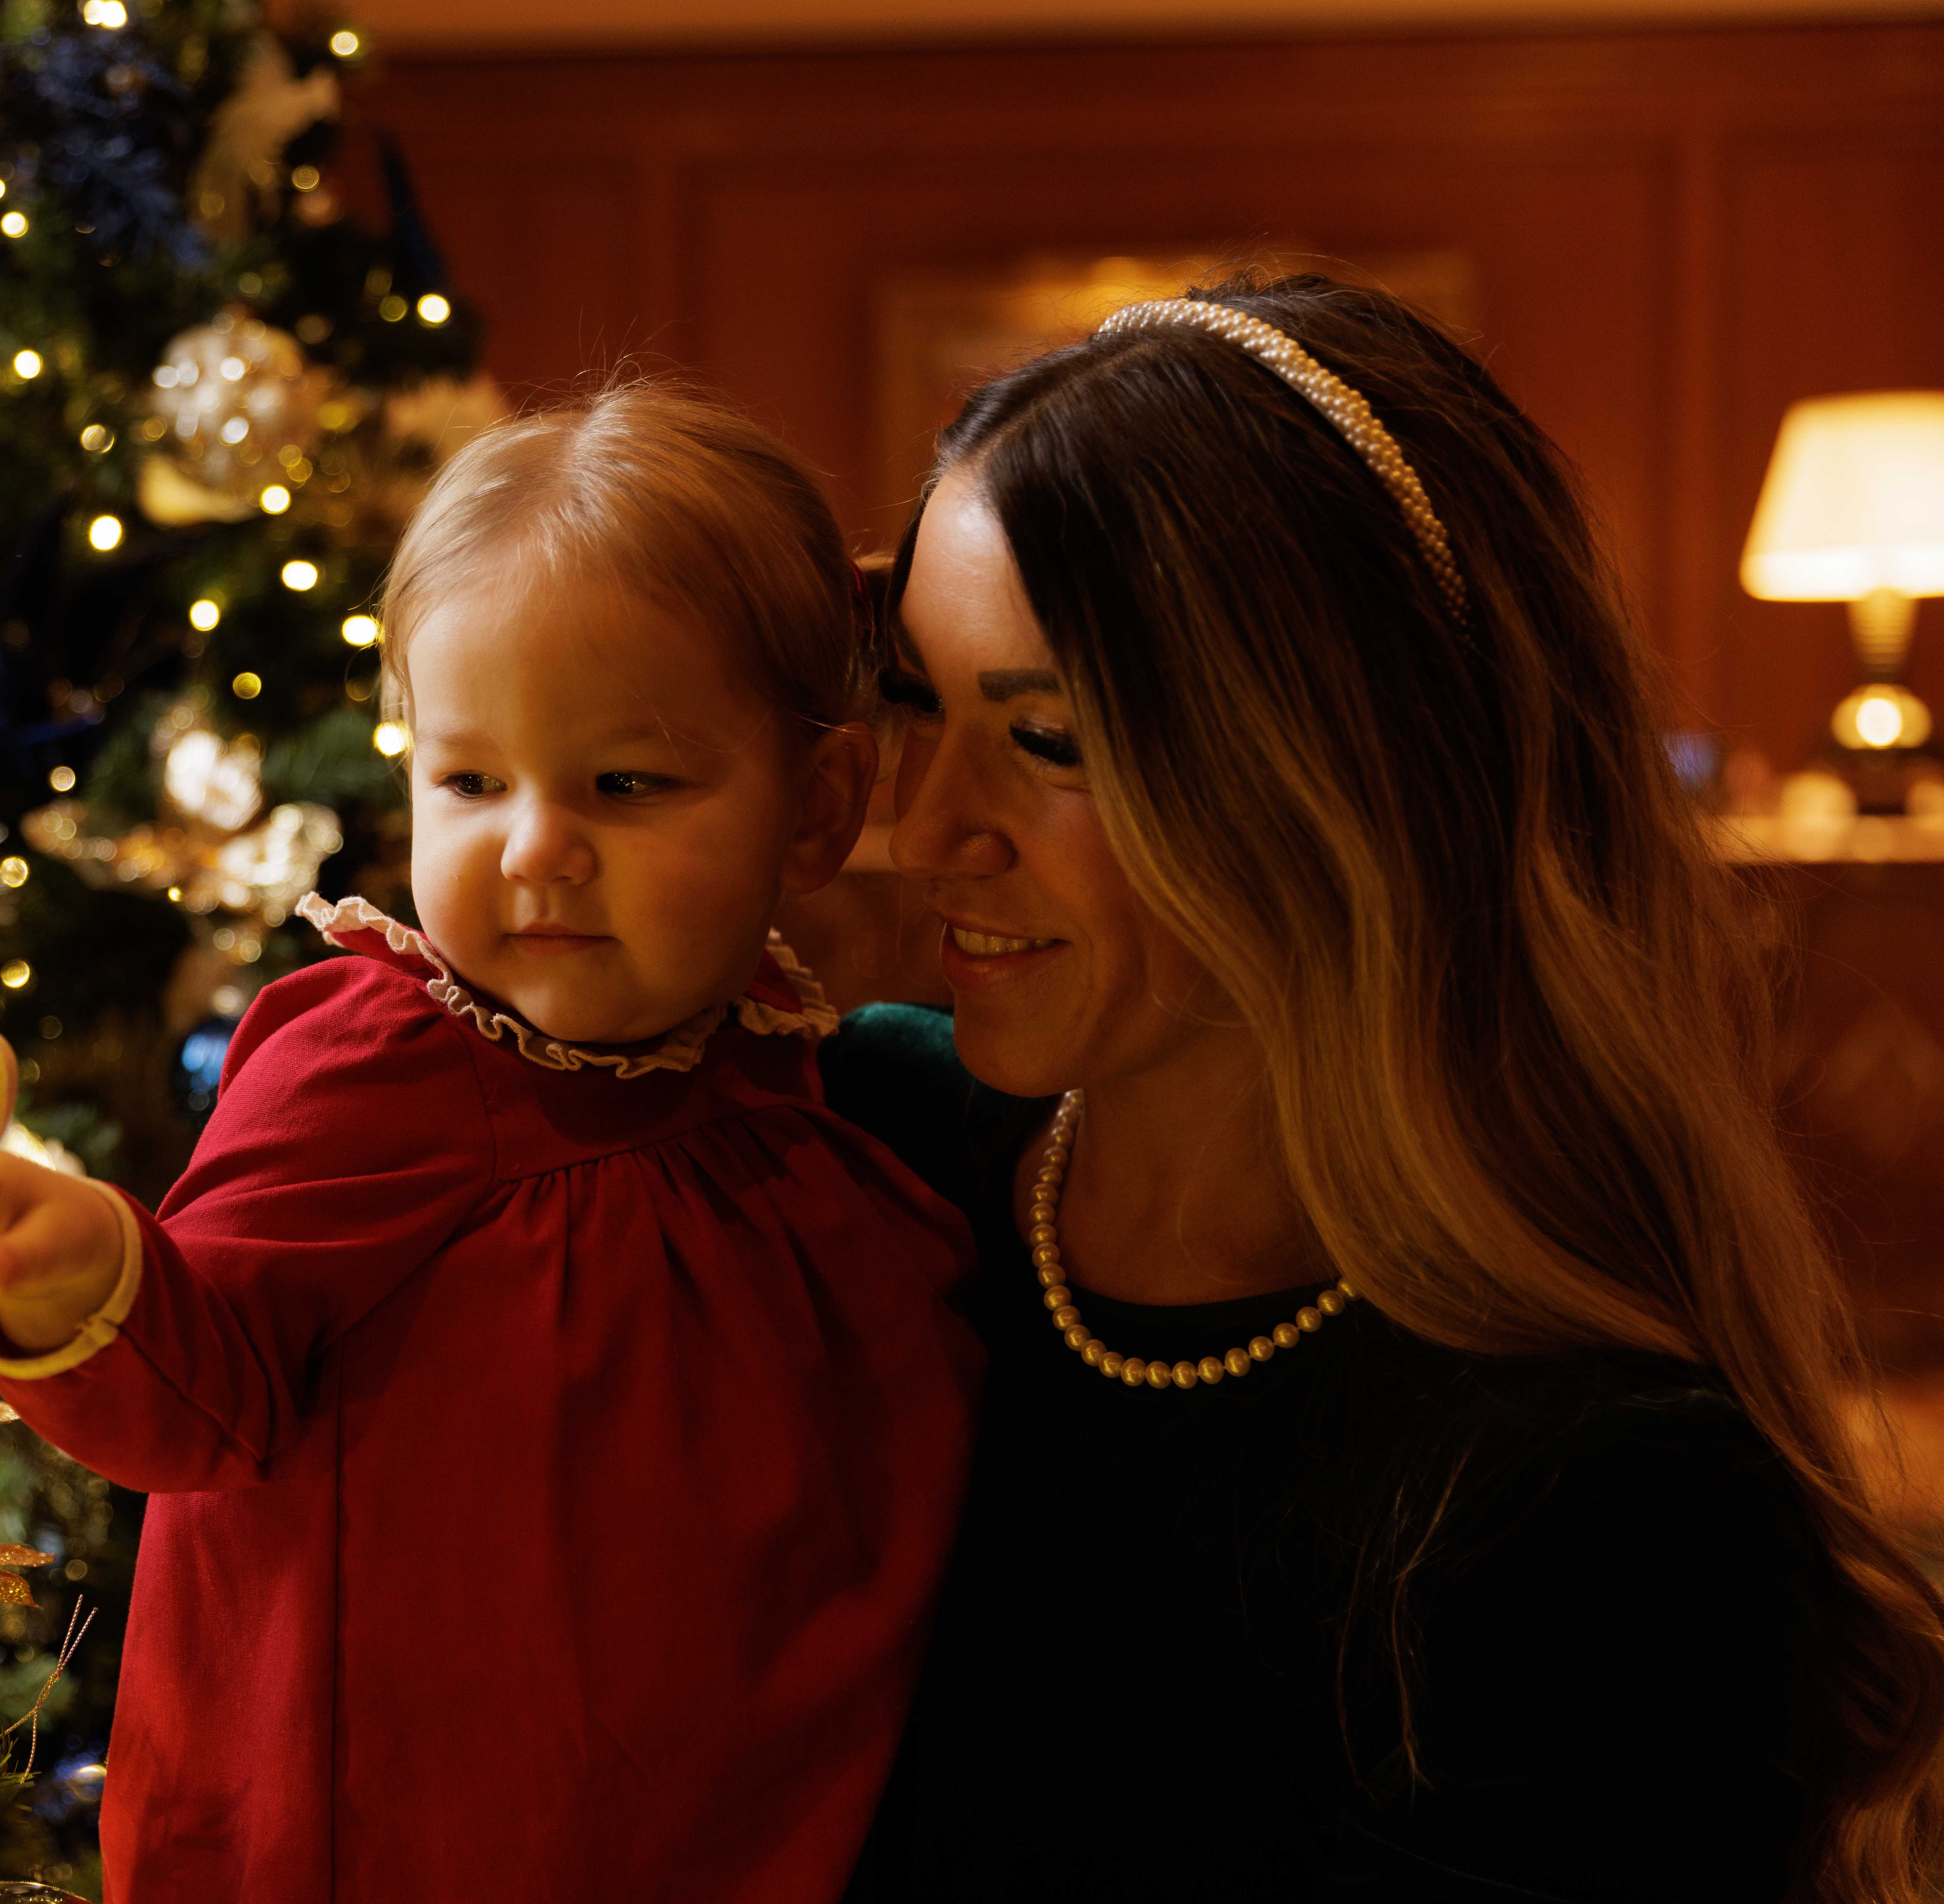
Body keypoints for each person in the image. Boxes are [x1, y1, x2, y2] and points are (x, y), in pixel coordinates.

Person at [830, 275, 1944, 1903]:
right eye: (917, 705)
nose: (928, 831)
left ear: (1332, 775)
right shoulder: (857, 1160)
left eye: (1051, 739)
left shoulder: (1606, 1507)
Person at [0, 385, 983, 1904]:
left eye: (626, 784)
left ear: (814, 814)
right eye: (469, 781)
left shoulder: (771, 1069)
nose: (533, 848)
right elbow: (199, 1395)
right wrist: (87, 1276)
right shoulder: (380, 1062)